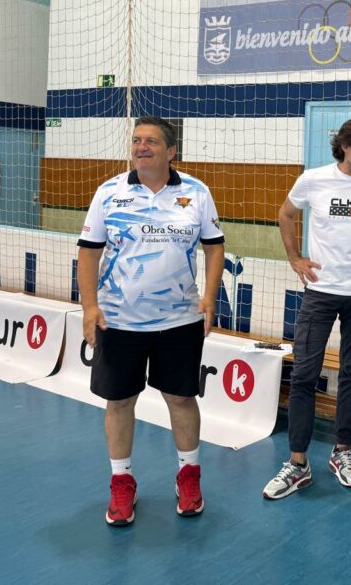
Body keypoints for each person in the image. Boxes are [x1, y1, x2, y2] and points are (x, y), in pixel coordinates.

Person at [77, 116, 225, 526]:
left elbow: (215, 248)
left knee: (181, 398)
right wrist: (90, 307)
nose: (142, 147)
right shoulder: (109, 193)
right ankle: (122, 483)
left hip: (179, 320)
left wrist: (209, 297)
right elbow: (88, 252)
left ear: (171, 151)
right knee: (120, 401)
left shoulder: (197, 193)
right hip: (119, 321)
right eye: (137, 140)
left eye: (152, 141)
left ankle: (189, 475)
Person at [263, 117, 351, 499]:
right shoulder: (313, 179)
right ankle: (297, 463)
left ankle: (342, 452)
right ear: (344, 145)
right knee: (305, 374)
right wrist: (295, 258)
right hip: (320, 293)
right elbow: (285, 214)